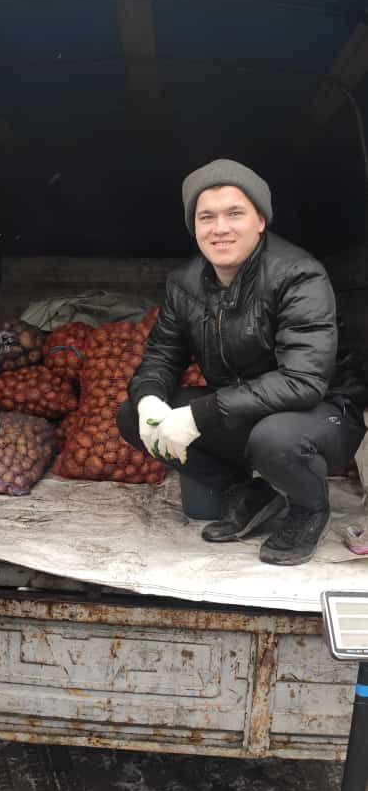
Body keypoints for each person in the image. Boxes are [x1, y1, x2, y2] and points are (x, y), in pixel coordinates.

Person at [117, 158, 366, 566]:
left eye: (235, 213)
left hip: (322, 415)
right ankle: (248, 491)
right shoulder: (184, 284)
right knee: (132, 417)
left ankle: (308, 508)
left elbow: (304, 381)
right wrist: (149, 401)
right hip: (243, 409)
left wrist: (198, 416)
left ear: (261, 221)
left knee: (275, 439)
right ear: (193, 226)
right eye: (206, 217)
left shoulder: (299, 275)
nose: (220, 228)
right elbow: (161, 355)